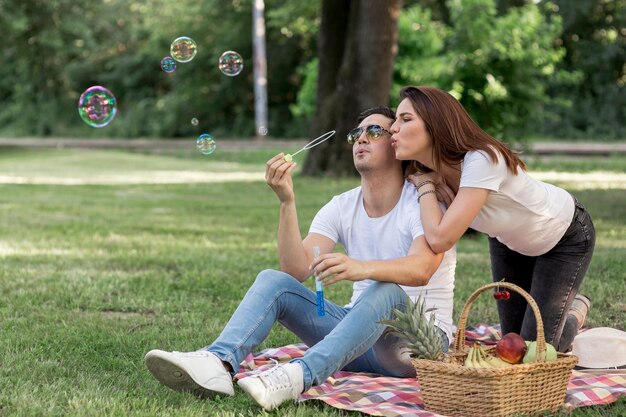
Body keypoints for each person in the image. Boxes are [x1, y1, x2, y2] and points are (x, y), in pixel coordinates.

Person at [144, 106, 456, 411]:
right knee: (273, 281)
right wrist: (286, 201)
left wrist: (361, 268)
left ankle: (297, 375)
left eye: (374, 131)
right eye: (356, 133)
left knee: (384, 290)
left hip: (418, 345)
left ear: (396, 143)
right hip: (357, 342)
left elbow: (422, 269)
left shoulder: (423, 201)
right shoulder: (342, 205)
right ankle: (219, 363)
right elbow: (295, 270)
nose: (361, 139)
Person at [389, 86, 595, 352]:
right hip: (507, 241)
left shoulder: (482, 159)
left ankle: (573, 314)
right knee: (512, 344)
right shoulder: (431, 171)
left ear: (436, 123)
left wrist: (425, 186)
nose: (394, 128)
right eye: (395, 120)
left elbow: (440, 238)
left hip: (564, 236)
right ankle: (556, 316)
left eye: (406, 119)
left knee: (533, 352)